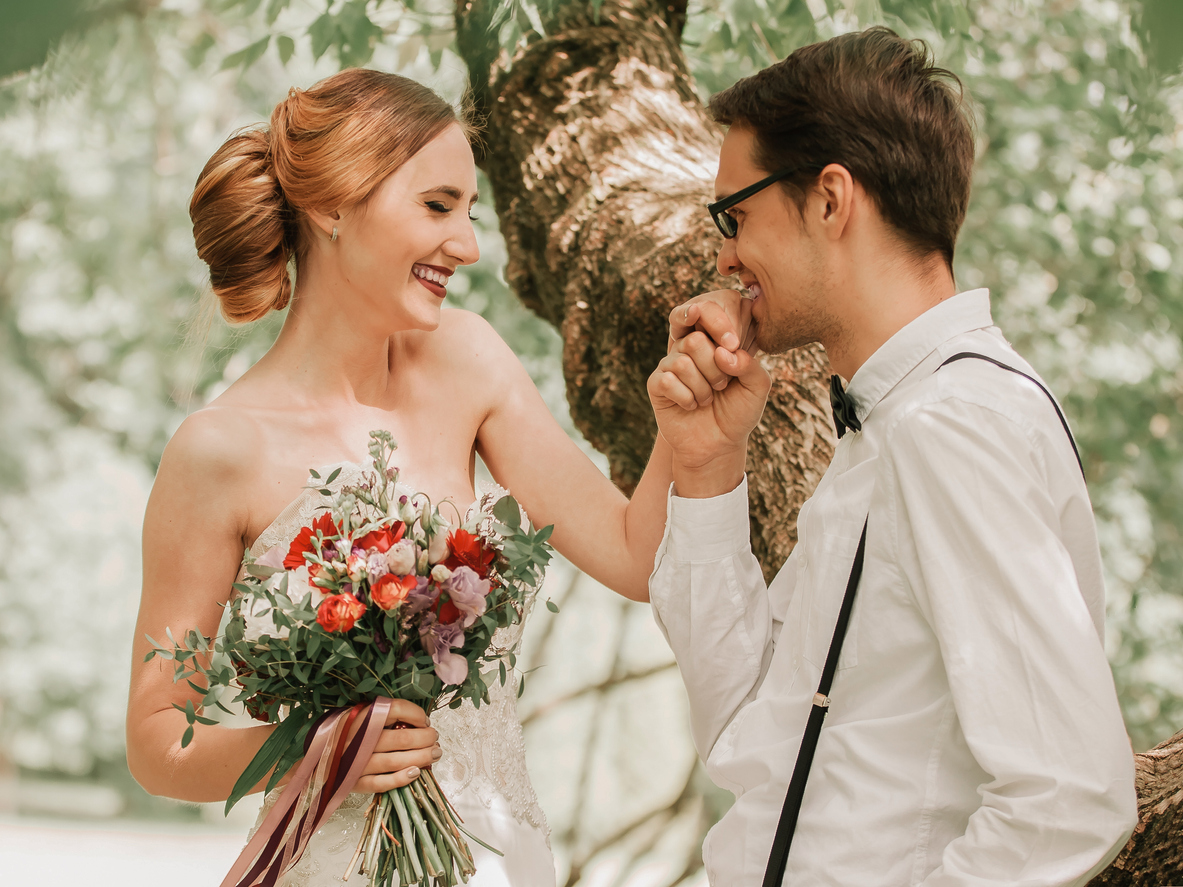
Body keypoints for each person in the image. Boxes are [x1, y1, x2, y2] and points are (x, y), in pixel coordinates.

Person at [125, 69, 686, 887]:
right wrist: (318, 751)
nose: (466, 245)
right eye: (437, 205)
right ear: (332, 207)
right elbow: (155, 740)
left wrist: (687, 423)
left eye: (469, 211)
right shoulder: (219, 450)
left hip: (492, 859)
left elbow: (637, 556)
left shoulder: (467, 359)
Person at [645, 27, 1138, 887]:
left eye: (735, 215)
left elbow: (1068, 796)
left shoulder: (953, 425)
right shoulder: (895, 419)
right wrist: (706, 465)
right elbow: (750, 735)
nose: (723, 256)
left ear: (831, 199)